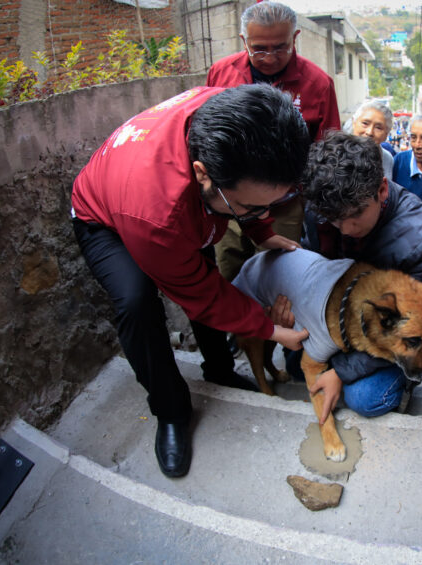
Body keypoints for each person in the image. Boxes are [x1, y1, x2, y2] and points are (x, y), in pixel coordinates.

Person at [71, 84, 311, 478]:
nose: (259, 212)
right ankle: (171, 411)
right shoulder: (161, 217)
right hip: (106, 218)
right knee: (137, 304)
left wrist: (260, 230)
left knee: (204, 260)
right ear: (202, 173)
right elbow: (203, 295)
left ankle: (219, 369)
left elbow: (250, 194)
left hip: (177, 202)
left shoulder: (236, 115)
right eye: (249, 208)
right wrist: (269, 329)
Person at [276, 131, 422, 420]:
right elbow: (311, 271)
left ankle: (404, 384)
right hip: (340, 320)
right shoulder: (321, 210)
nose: (346, 229)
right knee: (295, 365)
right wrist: (290, 311)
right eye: (334, 219)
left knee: (365, 398)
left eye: (356, 214)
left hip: (402, 337)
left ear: (382, 190)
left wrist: (340, 372)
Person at [206, 0, 341, 282]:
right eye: (259, 49)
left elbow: (327, 149)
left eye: (280, 47)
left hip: (283, 205)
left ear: (295, 37)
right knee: (229, 270)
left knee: (276, 276)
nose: (269, 57)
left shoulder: (318, 84)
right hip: (228, 198)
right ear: (244, 40)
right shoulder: (221, 73)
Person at [349, 99, 395, 180]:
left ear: (386, 134)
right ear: (354, 123)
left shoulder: (386, 158)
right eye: (365, 123)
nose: (369, 132)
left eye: (378, 128)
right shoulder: (336, 153)